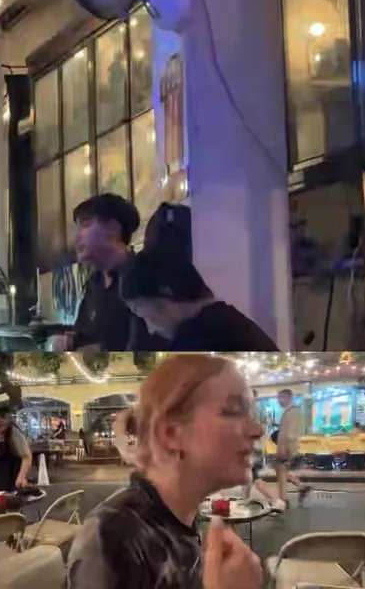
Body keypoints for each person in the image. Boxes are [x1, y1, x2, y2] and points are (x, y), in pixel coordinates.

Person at [66, 354, 264, 589]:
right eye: (234, 410)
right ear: (171, 434)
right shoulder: (113, 536)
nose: (257, 430)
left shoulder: (180, 518)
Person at [52, 193, 165, 351]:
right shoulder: (94, 283)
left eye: (86, 225)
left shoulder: (144, 276)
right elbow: (85, 334)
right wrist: (68, 340)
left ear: (112, 228)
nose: (76, 237)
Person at [119, 247, 279, 352]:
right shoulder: (224, 321)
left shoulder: (197, 338)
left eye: (147, 317)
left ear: (166, 298)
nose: (151, 329)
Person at [272, 388, 311, 506]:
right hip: (283, 447)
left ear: (289, 398)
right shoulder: (289, 412)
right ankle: (300, 487)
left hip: (286, 448)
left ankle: (283, 499)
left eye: (281, 397)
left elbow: (292, 434)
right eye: (278, 398)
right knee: (282, 471)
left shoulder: (293, 412)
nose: (279, 400)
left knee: (281, 472)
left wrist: (287, 449)